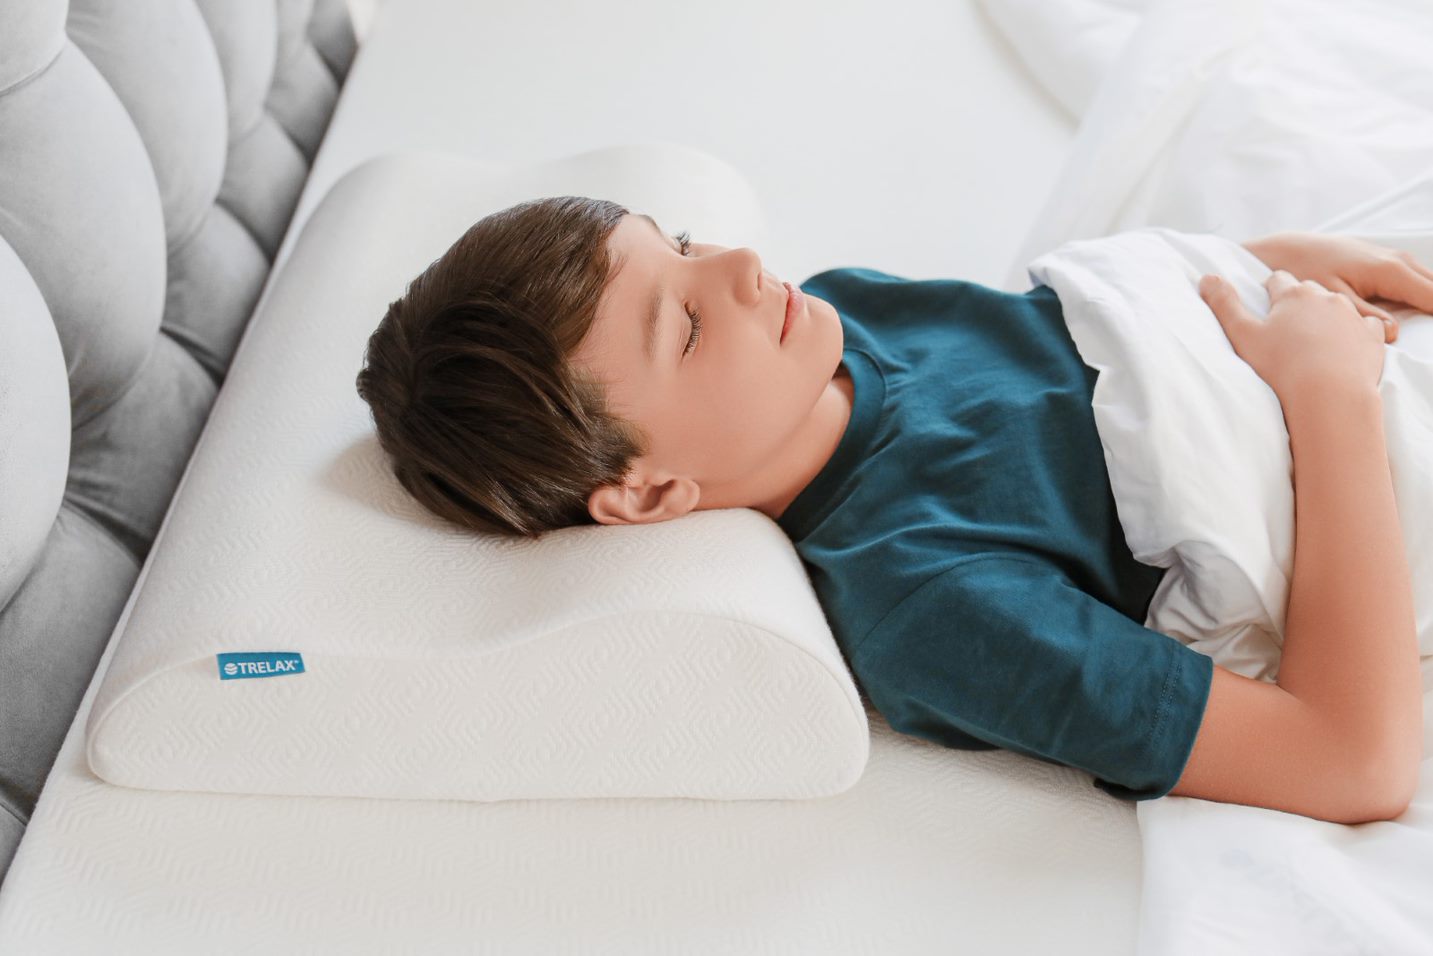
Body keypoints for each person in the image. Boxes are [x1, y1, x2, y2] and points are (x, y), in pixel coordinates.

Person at [355, 196, 1433, 823]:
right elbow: (1351, 760)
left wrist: (1260, 268)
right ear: (645, 492)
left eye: (679, 242)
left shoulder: (842, 310)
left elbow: (1090, 347)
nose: (739, 265)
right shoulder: (927, 605)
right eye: (683, 324)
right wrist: (1323, 395)